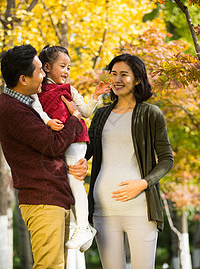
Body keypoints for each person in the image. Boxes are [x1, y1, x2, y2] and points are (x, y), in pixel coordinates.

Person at [0, 44, 88, 269]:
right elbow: (52, 144)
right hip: (42, 200)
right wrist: (75, 118)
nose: (44, 76)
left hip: (54, 196)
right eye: (40, 71)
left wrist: (78, 163)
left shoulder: (28, 104)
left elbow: (49, 151)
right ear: (23, 79)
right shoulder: (12, 110)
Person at [85, 53, 174, 269]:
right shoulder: (101, 115)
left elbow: (166, 159)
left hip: (140, 210)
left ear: (137, 79)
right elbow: (85, 151)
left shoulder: (151, 113)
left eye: (124, 74)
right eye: (113, 74)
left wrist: (142, 183)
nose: (117, 79)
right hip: (103, 210)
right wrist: (78, 162)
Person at [32, 45, 111, 251]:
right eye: (62, 66)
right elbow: (38, 111)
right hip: (57, 139)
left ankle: (83, 226)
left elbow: (84, 112)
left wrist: (96, 95)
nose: (66, 71)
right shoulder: (37, 91)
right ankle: (80, 227)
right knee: (64, 182)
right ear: (47, 67)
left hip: (76, 138)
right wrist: (48, 121)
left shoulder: (70, 89)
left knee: (75, 181)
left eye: (69, 67)